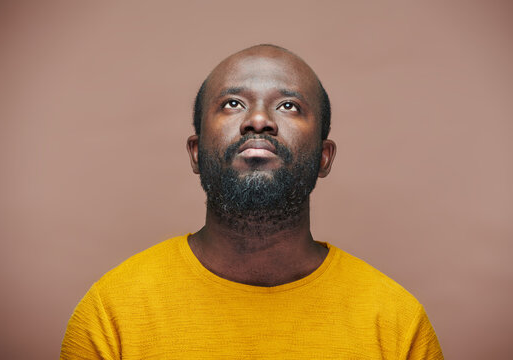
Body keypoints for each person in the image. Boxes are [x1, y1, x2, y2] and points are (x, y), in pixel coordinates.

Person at [61, 44, 444, 359]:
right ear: (196, 153)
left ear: (323, 158)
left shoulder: (397, 324)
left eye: (289, 106)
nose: (258, 120)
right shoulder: (111, 314)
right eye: (232, 104)